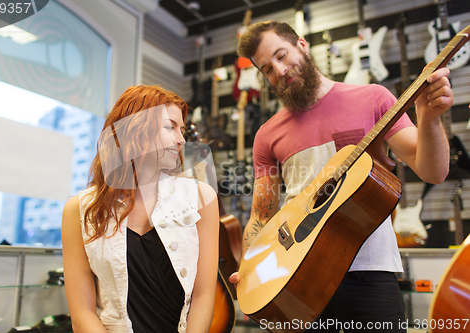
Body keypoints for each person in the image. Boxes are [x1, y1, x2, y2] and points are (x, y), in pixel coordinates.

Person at [229, 20, 452, 332]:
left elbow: (433, 171)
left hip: (370, 274)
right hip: (298, 281)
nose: (278, 71)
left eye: (281, 55)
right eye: (267, 69)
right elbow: (260, 216)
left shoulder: (373, 97)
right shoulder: (267, 135)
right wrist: (250, 268)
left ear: (302, 46)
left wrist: (428, 117)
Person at [62, 85, 219, 333]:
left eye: (182, 129)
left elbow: (204, 296)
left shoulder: (202, 198)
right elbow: (82, 313)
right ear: (135, 130)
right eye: (170, 127)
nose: (181, 139)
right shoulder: (80, 210)